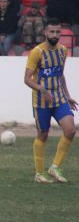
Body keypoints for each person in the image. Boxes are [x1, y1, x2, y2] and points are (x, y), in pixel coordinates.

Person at [24, 18, 78, 184]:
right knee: (43, 135)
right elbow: (27, 79)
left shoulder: (63, 50)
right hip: (41, 101)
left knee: (70, 130)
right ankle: (39, 173)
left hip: (59, 98)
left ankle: (54, 167)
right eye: (52, 31)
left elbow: (60, 75)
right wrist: (42, 89)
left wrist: (68, 96)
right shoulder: (37, 52)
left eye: (57, 32)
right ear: (45, 32)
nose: (55, 35)